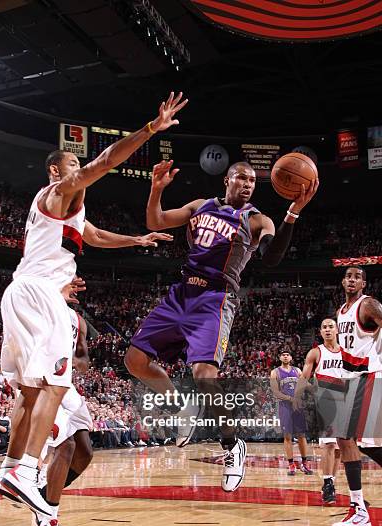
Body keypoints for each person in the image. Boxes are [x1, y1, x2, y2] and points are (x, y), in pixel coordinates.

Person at [0, 92, 186, 518]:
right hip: (39, 293)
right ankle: (26, 471)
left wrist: (136, 239)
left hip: (24, 291)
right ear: (57, 170)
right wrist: (151, 128)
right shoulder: (58, 191)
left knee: (30, 390)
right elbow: (106, 163)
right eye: (74, 166)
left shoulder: (70, 213)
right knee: (57, 385)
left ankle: (7, 467)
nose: (82, 171)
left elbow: (93, 236)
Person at [125, 158, 318, 492]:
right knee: (134, 361)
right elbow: (154, 220)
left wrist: (293, 212)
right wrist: (156, 190)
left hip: (216, 298)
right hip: (182, 293)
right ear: (227, 179)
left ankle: (232, 446)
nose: (247, 184)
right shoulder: (201, 206)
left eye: (253, 182)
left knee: (204, 374)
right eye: (241, 178)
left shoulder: (258, 220)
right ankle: (180, 407)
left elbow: (271, 258)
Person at [34, 306, 92, 526]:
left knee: (85, 454)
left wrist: (81, 360)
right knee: (65, 445)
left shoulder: (79, 321)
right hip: (43, 382)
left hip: (67, 387)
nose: (78, 283)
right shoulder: (41, 305)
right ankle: (47, 521)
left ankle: (41, 497)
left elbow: (83, 357)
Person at [331, 266, 382, 526]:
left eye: (357, 277)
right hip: (349, 378)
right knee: (344, 438)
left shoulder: (368, 304)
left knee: (363, 441)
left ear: (363, 283)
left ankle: (359, 509)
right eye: (348, 276)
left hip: (368, 375)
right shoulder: (341, 311)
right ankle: (358, 508)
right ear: (343, 281)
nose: (352, 280)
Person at [294, 319, 343, 504]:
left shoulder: (347, 352)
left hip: (346, 402)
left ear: (337, 330)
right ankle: (327, 482)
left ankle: (332, 481)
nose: (328, 329)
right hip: (327, 402)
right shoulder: (315, 352)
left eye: (331, 326)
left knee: (340, 448)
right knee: (329, 444)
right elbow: (304, 378)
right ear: (321, 332)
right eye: (324, 327)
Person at [270, 350, 313, 476]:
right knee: (287, 436)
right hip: (285, 406)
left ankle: (304, 464)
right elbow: (275, 392)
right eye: (283, 354)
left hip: (298, 406)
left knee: (301, 435)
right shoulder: (275, 372)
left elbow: (305, 383)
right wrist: (290, 399)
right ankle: (291, 465)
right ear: (280, 357)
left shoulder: (298, 371)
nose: (285, 356)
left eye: (287, 354)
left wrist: (317, 389)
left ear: (291, 357)